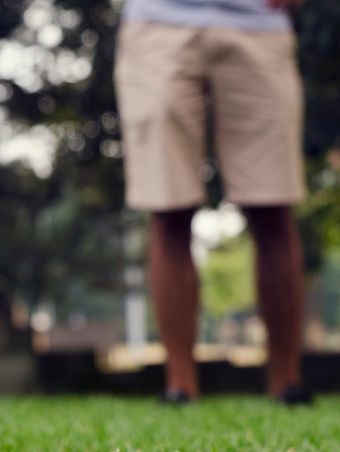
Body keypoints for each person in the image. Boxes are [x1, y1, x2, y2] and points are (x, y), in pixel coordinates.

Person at [114, 0, 311, 405]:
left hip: (260, 23)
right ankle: (180, 387)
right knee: (168, 208)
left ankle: (287, 385)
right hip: (157, 22)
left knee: (273, 206)